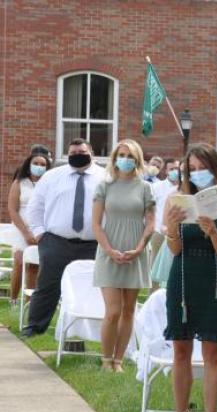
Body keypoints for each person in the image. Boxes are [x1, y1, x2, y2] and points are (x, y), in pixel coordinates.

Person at [162, 143, 217, 412]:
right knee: (180, 349)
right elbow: (174, 249)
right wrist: (171, 229)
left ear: (215, 169)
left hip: (215, 282)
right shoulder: (175, 200)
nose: (197, 174)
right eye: (192, 169)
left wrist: (212, 232)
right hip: (182, 279)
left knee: (212, 351)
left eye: (203, 168)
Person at [22, 138, 106, 338]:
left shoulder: (105, 177)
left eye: (82, 152)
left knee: (91, 288)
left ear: (91, 153)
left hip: (93, 244)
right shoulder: (52, 177)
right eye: (73, 153)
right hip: (55, 241)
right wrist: (40, 233)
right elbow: (36, 206)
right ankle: (34, 327)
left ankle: (87, 333)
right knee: (48, 286)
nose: (78, 155)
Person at [92, 139, 155, 372]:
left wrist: (139, 248)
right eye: (122, 155)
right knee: (113, 311)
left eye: (130, 156)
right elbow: (96, 224)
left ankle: (118, 360)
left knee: (129, 310)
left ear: (137, 160)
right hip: (108, 251)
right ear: (114, 158)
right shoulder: (104, 186)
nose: (125, 160)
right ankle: (105, 359)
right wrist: (109, 250)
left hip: (135, 253)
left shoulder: (145, 188)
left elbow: (150, 222)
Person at [6, 153, 49, 307]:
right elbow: (12, 210)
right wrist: (25, 232)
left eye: (43, 164)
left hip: (40, 230)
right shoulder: (19, 183)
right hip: (20, 228)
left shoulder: (48, 184)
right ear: (29, 164)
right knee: (19, 262)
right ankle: (13, 299)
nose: (39, 167)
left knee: (33, 265)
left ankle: (29, 303)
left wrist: (39, 232)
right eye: (36, 163)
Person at [149, 158, 181, 281]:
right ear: (166, 171)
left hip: (177, 232)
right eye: (171, 169)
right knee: (156, 267)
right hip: (159, 232)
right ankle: (154, 295)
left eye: (176, 169)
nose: (174, 171)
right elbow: (150, 209)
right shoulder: (157, 187)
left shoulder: (183, 189)